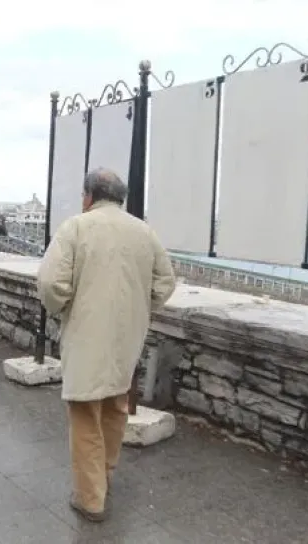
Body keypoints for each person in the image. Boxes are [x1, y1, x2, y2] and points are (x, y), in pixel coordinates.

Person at [37, 168, 176, 523]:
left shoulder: (76, 227)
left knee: (85, 413)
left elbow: (51, 284)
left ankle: (90, 498)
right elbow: (165, 283)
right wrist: (142, 307)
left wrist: (63, 307)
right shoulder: (144, 232)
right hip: (127, 336)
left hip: (87, 334)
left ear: (89, 196)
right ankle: (104, 477)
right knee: (116, 406)